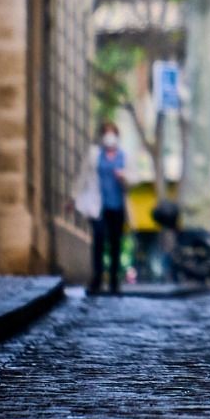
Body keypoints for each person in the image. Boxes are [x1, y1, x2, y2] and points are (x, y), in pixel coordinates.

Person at [74, 122, 129, 295]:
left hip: (118, 206)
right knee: (98, 240)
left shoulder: (124, 156)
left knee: (115, 244)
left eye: (112, 132)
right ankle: (97, 279)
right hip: (98, 206)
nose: (109, 136)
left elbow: (133, 178)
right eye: (106, 132)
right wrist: (73, 196)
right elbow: (83, 176)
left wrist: (124, 177)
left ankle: (114, 281)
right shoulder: (94, 155)